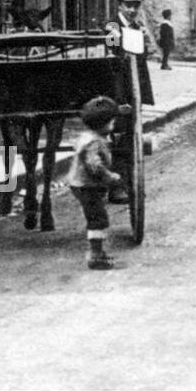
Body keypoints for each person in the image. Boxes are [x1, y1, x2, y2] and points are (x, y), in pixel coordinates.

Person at [105, 0, 154, 205]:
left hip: (134, 89)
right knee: (119, 136)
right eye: (128, 6)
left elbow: (145, 57)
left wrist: (144, 41)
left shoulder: (138, 27)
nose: (132, 10)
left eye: (136, 6)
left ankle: (128, 182)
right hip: (117, 91)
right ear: (120, 6)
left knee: (131, 136)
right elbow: (112, 54)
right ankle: (116, 188)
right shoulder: (112, 26)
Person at [67, 95, 124, 270]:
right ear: (105, 124)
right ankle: (95, 255)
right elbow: (94, 165)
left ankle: (98, 252)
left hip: (81, 184)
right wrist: (109, 176)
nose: (113, 125)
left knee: (97, 217)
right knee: (98, 219)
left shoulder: (89, 136)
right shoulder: (94, 142)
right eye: (112, 122)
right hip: (86, 185)